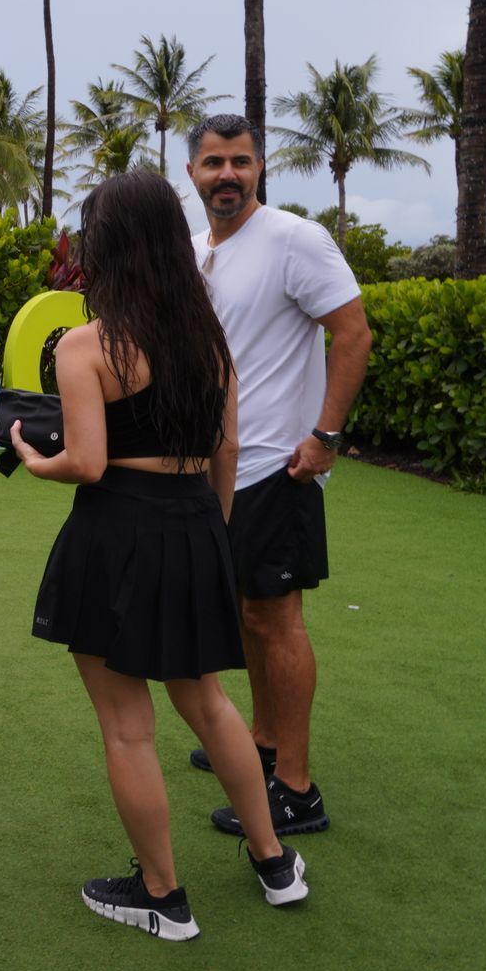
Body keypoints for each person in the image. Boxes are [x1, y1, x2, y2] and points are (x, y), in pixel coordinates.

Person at [11, 170, 308, 941]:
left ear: (102, 248)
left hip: (116, 533)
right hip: (195, 523)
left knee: (127, 727)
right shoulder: (210, 344)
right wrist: (210, 532)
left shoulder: (88, 345)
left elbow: (85, 462)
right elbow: (229, 447)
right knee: (207, 701)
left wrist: (29, 456)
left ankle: (163, 895)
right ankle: (275, 862)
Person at [183, 113, 371, 839]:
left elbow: (353, 333)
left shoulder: (295, 239)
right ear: (193, 174)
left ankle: (295, 787)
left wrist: (325, 437)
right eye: (213, 163)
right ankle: (261, 743)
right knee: (244, 614)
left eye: (241, 161)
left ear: (259, 168)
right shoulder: (199, 249)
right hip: (221, 466)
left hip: (278, 468)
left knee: (276, 619)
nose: (227, 174)